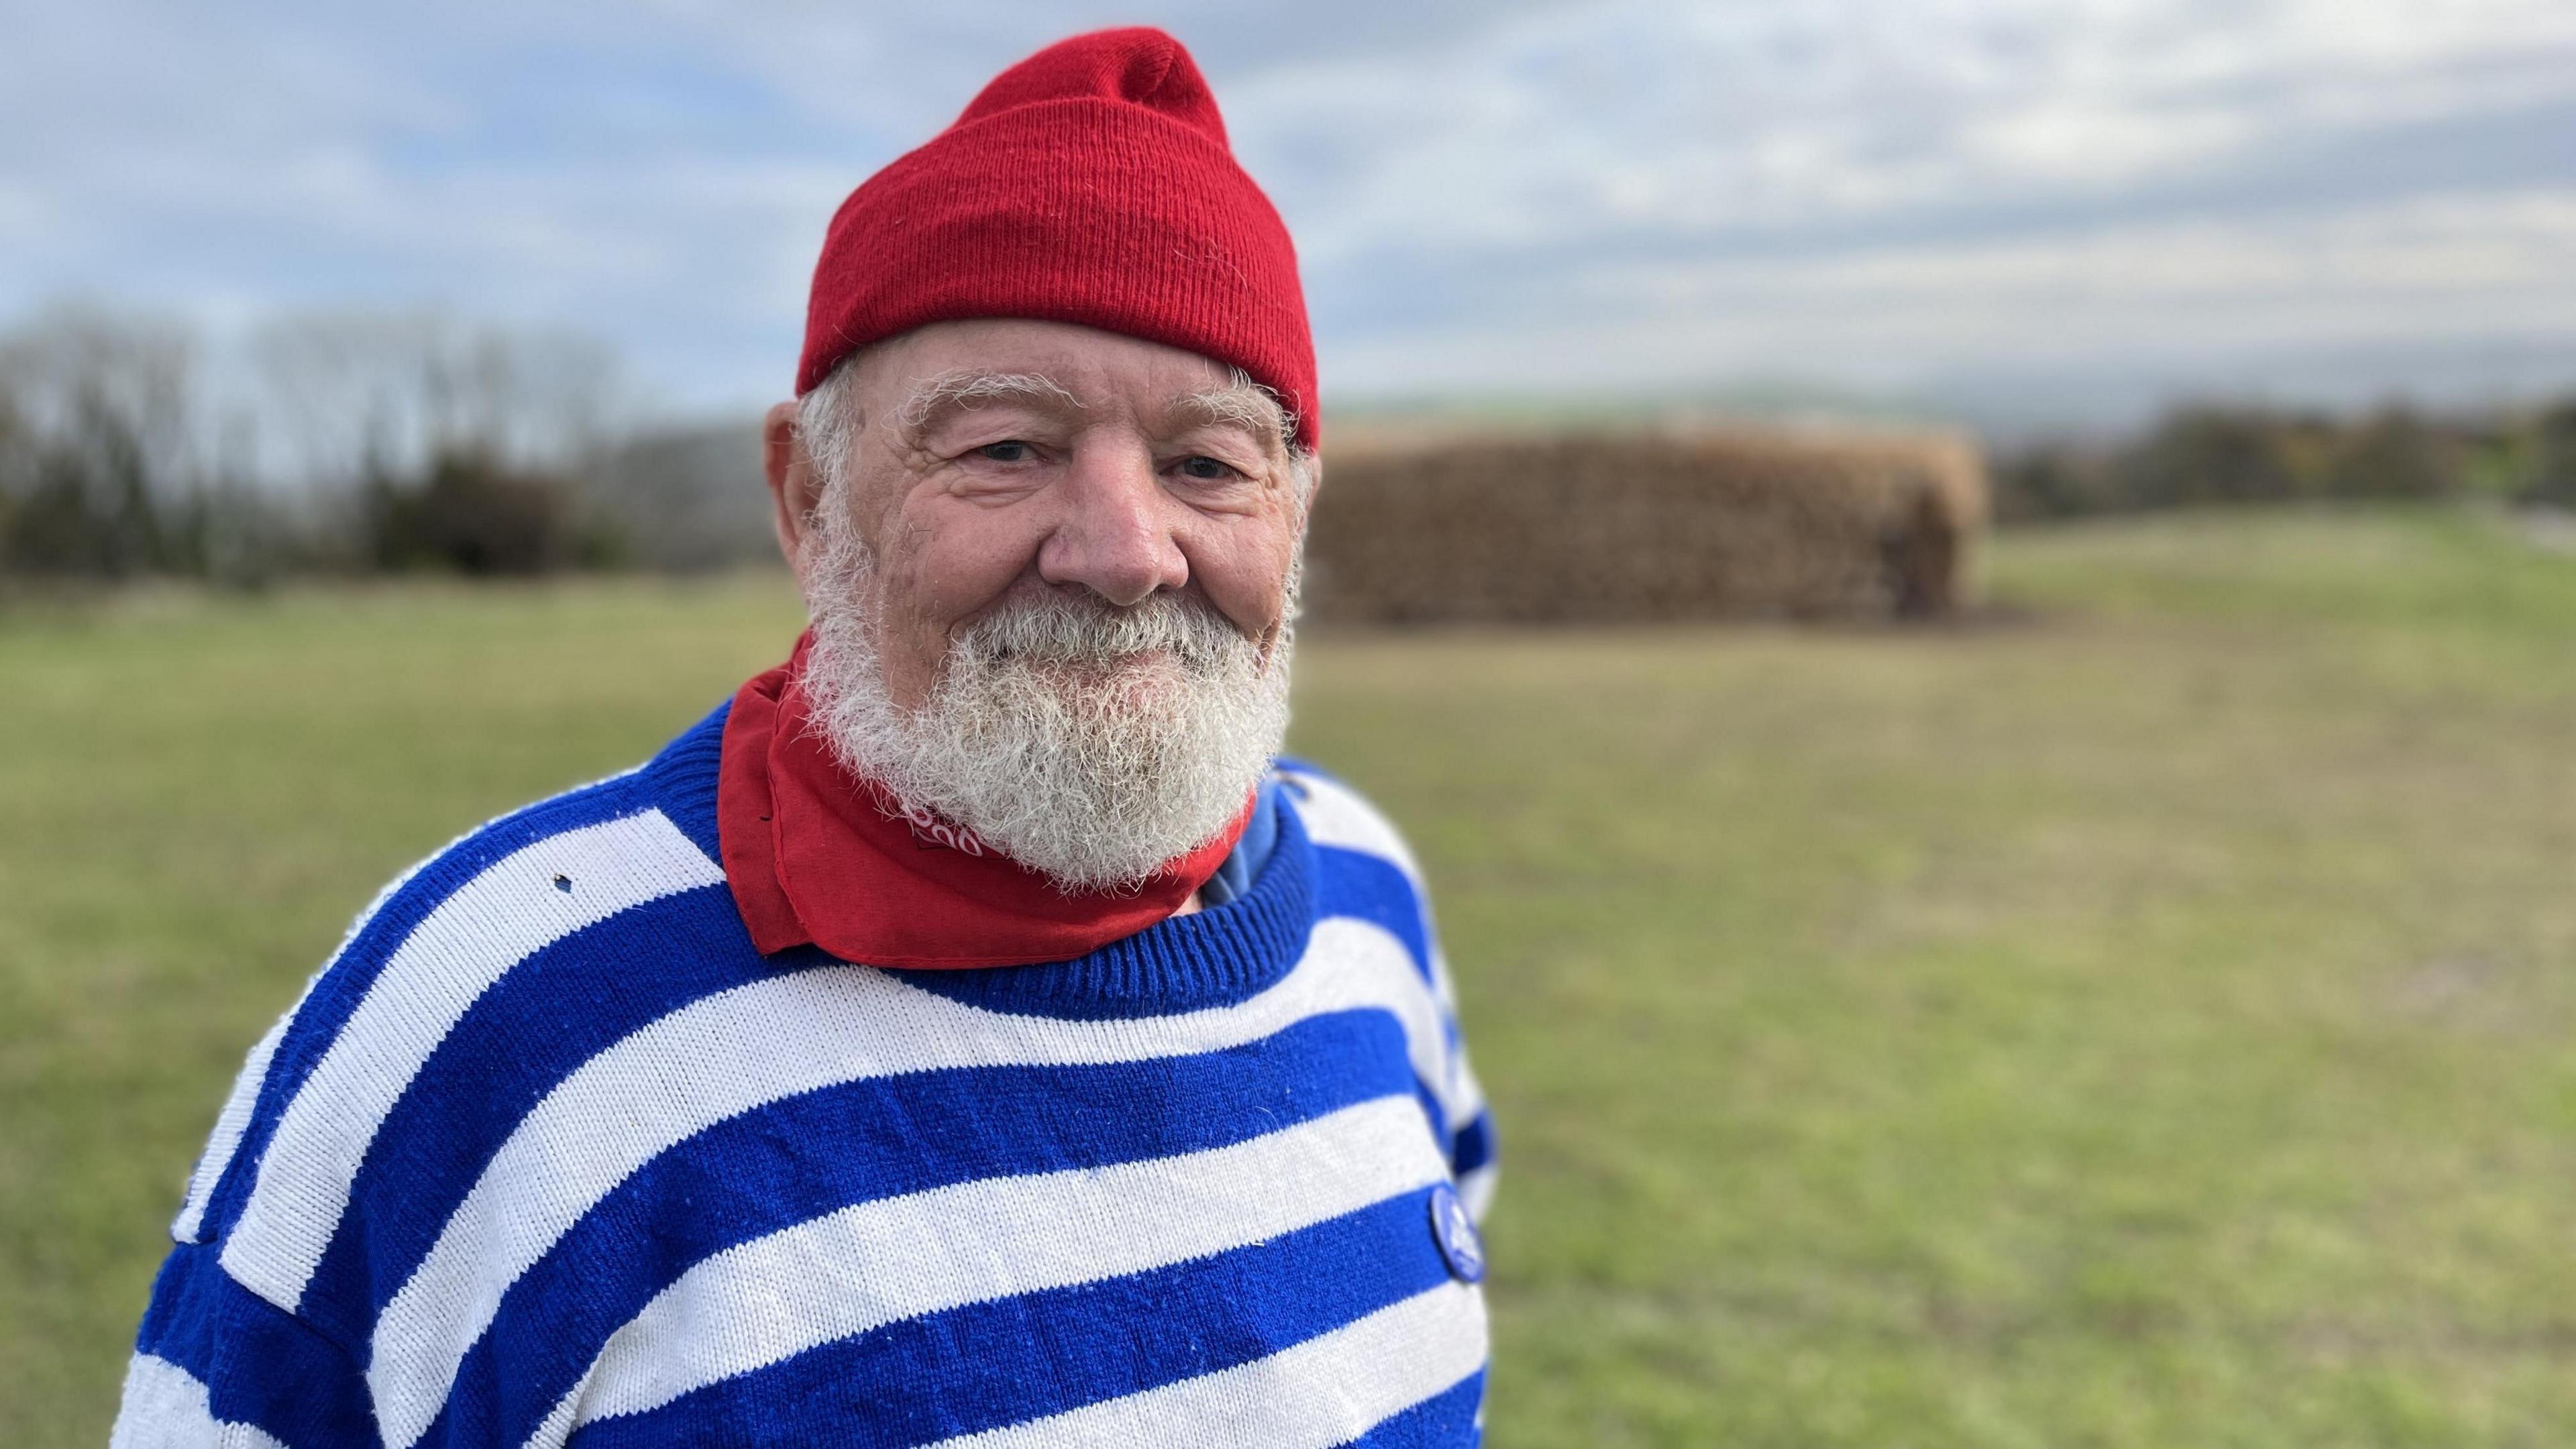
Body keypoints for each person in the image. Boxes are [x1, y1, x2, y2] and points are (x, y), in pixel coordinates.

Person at [113, 26, 1496, 1449]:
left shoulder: (1362, 896)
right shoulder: (502, 1018)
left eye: (1208, 464)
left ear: (1296, 512)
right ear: (807, 499)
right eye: (1004, 448)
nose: (1124, 551)